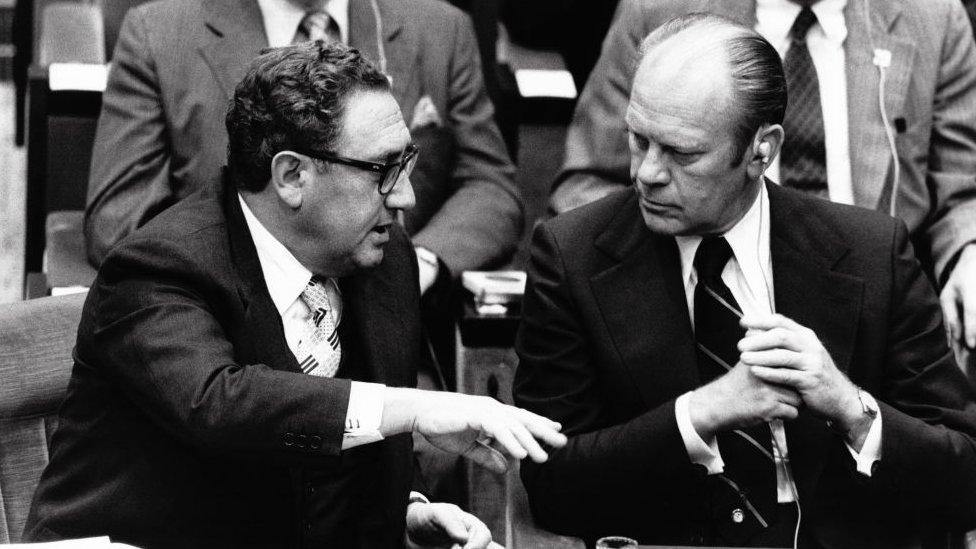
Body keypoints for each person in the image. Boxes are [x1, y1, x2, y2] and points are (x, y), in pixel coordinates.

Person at [25, 41, 566, 549]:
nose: (406, 195)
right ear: (291, 176)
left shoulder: (383, 256)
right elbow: (222, 407)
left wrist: (407, 513)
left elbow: (352, 453)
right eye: (382, 170)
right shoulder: (159, 268)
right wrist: (420, 407)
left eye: (406, 164)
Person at [514, 15, 976, 547]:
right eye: (638, 140)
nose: (647, 172)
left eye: (682, 153)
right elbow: (550, 488)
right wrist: (699, 415)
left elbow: (964, 483)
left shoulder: (872, 253)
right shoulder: (571, 256)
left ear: (763, 149)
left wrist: (850, 407)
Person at [548, 0, 976, 363]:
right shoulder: (659, 11)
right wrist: (670, 286)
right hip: (705, 300)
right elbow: (588, 183)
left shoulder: (933, 16)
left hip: (873, 312)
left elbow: (964, 186)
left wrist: (968, 253)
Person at [85, 0, 521, 294]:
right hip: (230, 334)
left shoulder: (441, 28)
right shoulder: (159, 35)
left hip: (396, 337)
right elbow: (120, 217)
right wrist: (267, 280)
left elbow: (490, 189)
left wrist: (417, 266)